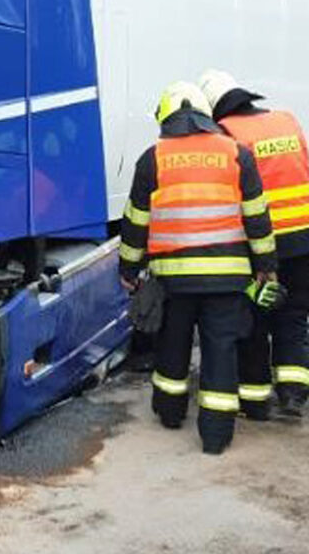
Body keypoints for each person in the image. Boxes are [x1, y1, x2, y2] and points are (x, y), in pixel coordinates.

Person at [119, 81, 278, 453]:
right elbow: (257, 218)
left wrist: (128, 270)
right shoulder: (236, 154)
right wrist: (265, 266)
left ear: (167, 118)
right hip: (228, 278)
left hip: (174, 280)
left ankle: (171, 413)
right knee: (221, 350)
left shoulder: (152, 158)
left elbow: (135, 223)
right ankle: (216, 436)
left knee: (172, 344)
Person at [201, 69, 309, 417]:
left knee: (256, 318)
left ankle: (255, 397)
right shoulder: (287, 121)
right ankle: (293, 394)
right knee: (294, 316)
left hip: (262, 244)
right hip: (305, 237)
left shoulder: (228, 135)